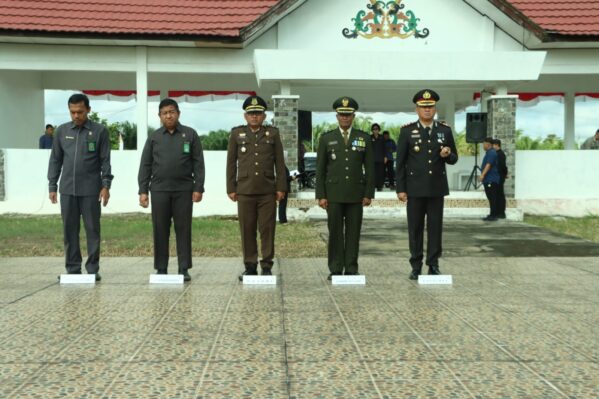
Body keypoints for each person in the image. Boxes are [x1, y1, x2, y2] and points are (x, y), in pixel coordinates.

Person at [138, 98, 205, 282]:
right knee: (160, 229)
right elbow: (145, 164)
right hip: (159, 190)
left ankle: (184, 268)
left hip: (184, 190)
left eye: (172, 111)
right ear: (159, 116)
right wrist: (143, 190)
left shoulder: (190, 135)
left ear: (178, 113)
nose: (169, 115)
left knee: (183, 229)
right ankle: (161, 268)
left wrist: (198, 187)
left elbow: (198, 163)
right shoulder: (154, 137)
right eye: (164, 113)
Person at [47, 94, 112, 281]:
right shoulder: (61, 131)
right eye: (72, 112)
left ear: (88, 110)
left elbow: (105, 160)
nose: (76, 116)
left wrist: (105, 185)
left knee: (93, 230)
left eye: (80, 112)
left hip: (92, 190)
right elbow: (55, 160)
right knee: (69, 230)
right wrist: (52, 184)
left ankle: (92, 269)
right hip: (67, 190)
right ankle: (73, 269)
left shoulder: (100, 131)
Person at [396, 89, 458, 280]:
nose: (427, 111)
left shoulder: (444, 130)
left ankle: (433, 264)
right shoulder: (407, 132)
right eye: (423, 107)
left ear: (435, 108)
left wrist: (448, 153)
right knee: (414, 229)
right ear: (417, 109)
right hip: (414, 189)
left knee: (435, 228)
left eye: (430, 107)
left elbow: (454, 158)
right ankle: (416, 265)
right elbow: (400, 162)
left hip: (436, 188)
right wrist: (401, 188)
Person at [226, 95, 286, 281]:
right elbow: (231, 163)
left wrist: (281, 187)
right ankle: (250, 266)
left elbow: (280, 162)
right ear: (245, 116)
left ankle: (266, 265)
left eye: (258, 113)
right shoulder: (237, 134)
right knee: (247, 229)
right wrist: (231, 187)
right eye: (251, 113)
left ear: (264, 115)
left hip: (267, 190)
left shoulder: (273, 134)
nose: (254, 117)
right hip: (244, 190)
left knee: (267, 229)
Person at [316, 97, 374, 280]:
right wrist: (321, 195)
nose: (345, 118)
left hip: (356, 194)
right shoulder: (327, 138)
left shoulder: (363, 138)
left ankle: (351, 268)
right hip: (333, 194)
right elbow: (320, 170)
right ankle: (335, 268)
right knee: (335, 233)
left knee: (353, 233)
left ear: (354, 116)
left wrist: (368, 193)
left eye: (348, 115)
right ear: (337, 116)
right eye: (342, 115)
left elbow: (370, 168)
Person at [479, 137, 501, 222]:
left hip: (491, 179)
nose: (483, 146)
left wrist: (482, 175)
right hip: (488, 179)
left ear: (488, 144)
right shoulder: (489, 152)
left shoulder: (491, 153)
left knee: (492, 197)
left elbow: (488, 165)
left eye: (484, 144)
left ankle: (493, 215)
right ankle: (492, 214)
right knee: (491, 197)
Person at [493, 139, 508, 219]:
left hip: (499, 177)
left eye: (493, 145)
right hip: (497, 176)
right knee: (497, 195)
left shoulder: (500, 154)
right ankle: (497, 212)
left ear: (497, 145)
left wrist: (505, 174)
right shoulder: (496, 154)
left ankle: (502, 213)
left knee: (500, 195)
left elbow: (503, 166)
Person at [370, 123, 386, 191]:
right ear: (372, 130)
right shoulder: (369, 137)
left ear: (379, 130)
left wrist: (385, 156)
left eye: (376, 129)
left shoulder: (382, 137)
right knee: (373, 173)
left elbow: (385, 148)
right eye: (374, 129)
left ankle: (380, 186)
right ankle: (373, 186)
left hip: (381, 158)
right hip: (372, 158)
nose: (375, 130)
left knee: (381, 173)